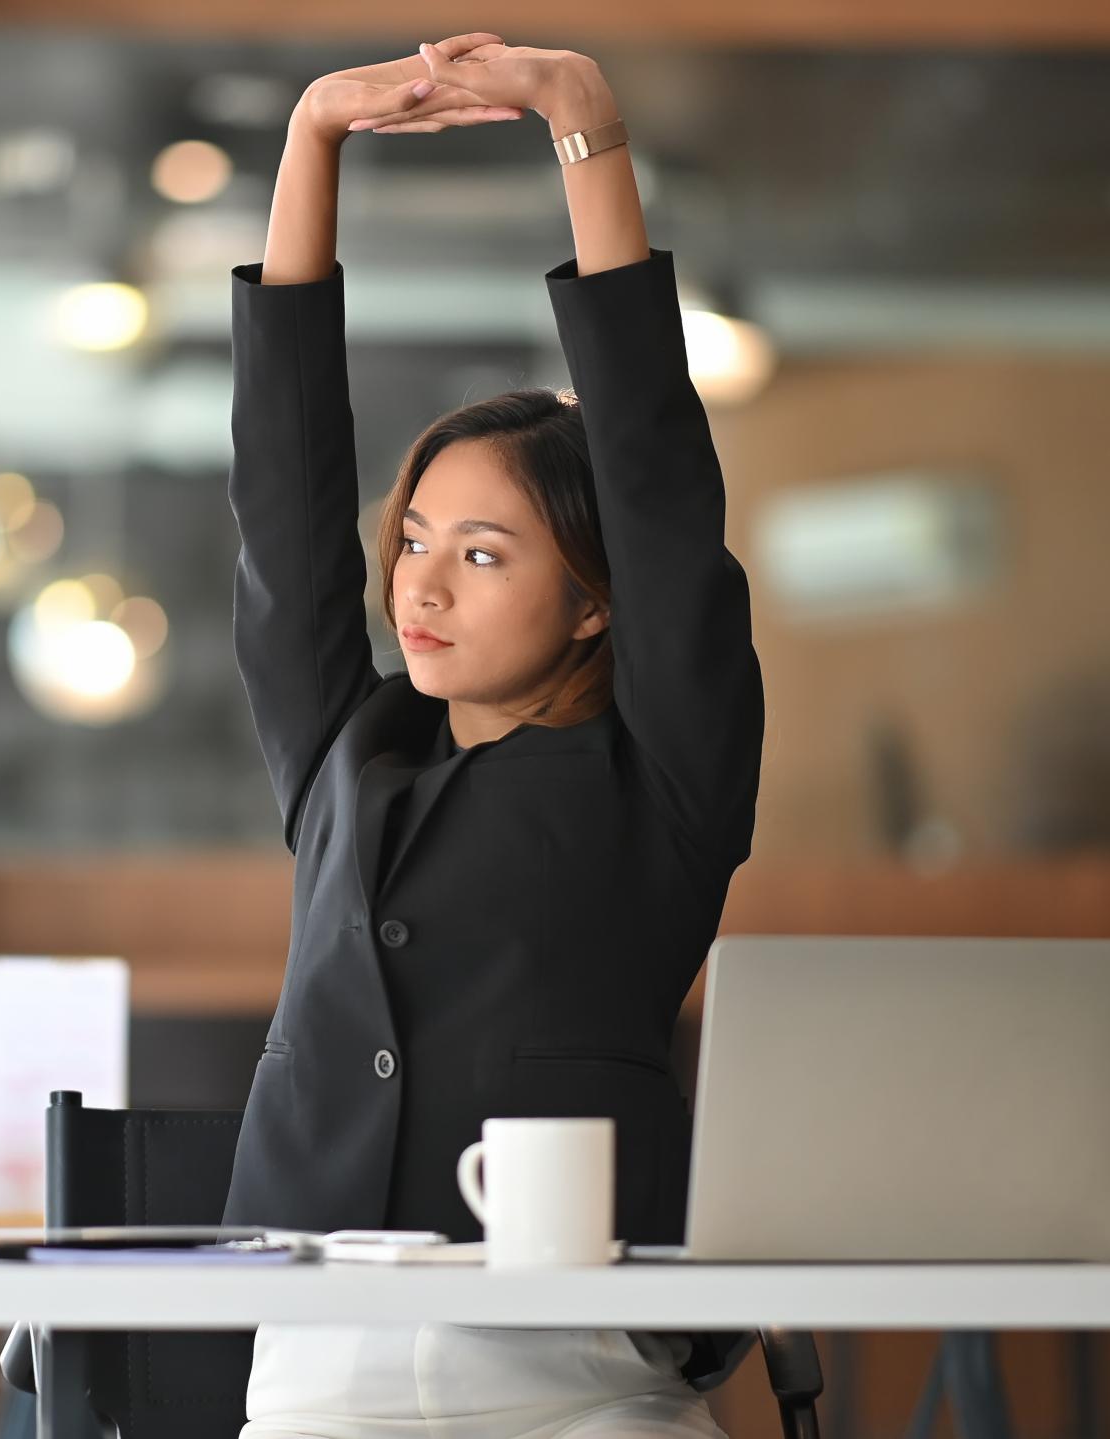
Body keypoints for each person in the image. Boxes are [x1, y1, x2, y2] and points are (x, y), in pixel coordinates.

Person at [221, 33, 766, 1439]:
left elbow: (653, 474)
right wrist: (311, 143)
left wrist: (584, 121)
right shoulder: (348, 750)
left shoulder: (666, 781)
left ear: (595, 603)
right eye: (413, 542)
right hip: (320, 1359)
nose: (419, 583)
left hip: (575, 1377)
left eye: (482, 553)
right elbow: (285, 509)